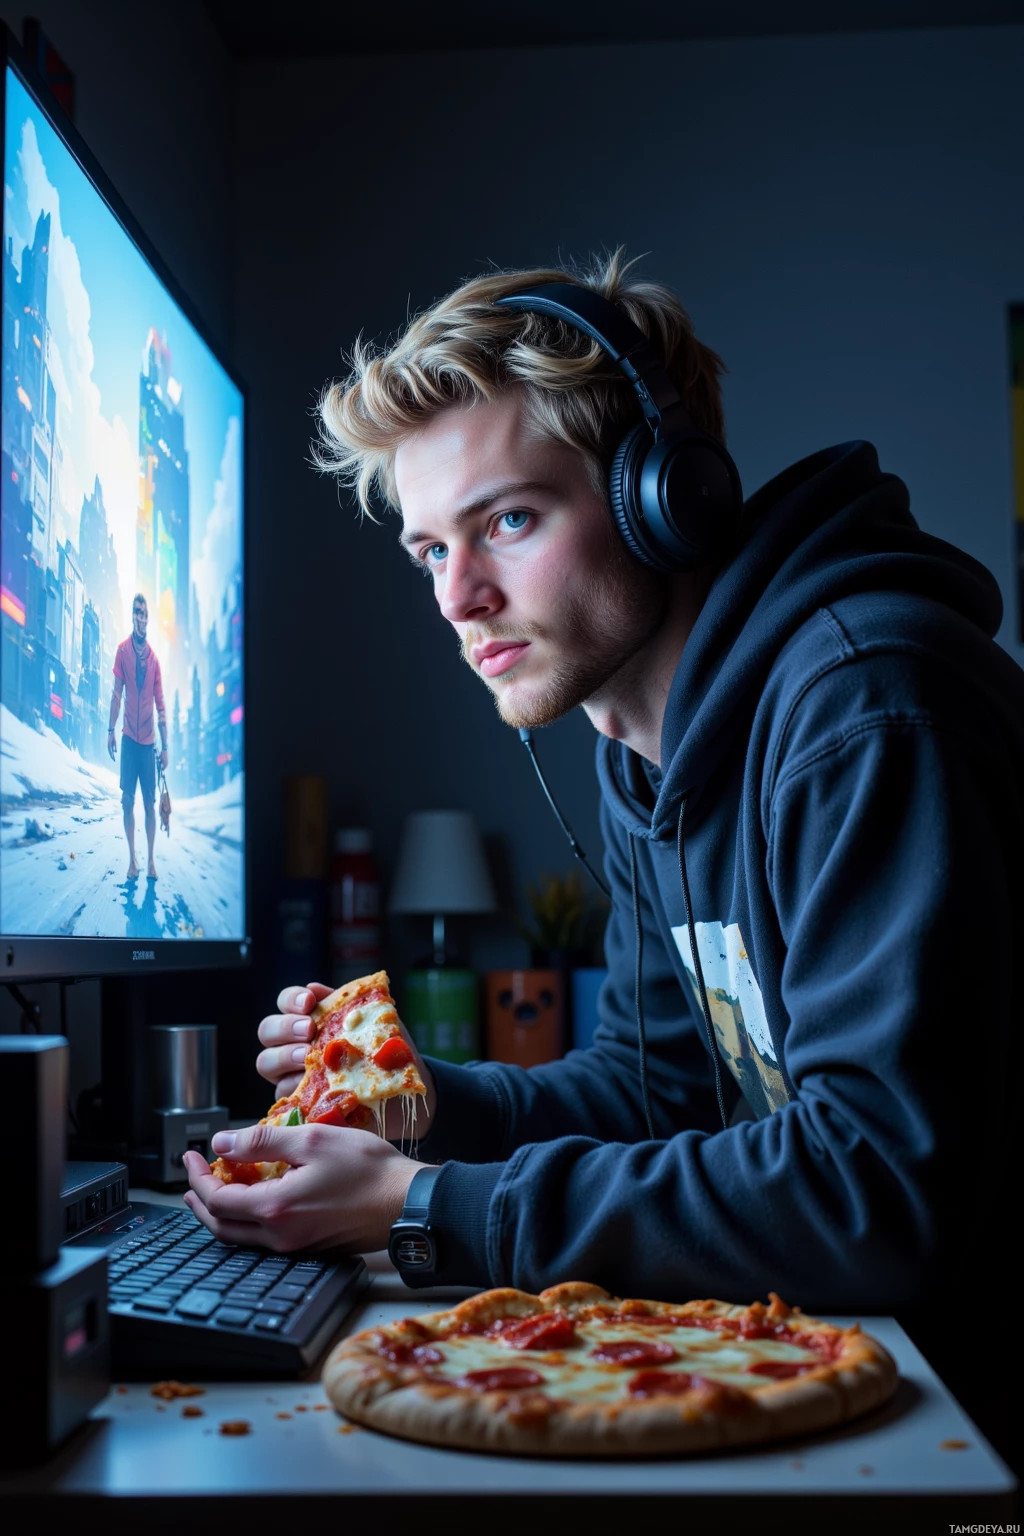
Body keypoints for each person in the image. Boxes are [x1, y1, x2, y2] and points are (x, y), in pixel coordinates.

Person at [184, 254, 1021, 1448]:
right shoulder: (643, 755)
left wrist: (427, 1207)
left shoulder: (866, 710)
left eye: (507, 521)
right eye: (430, 551)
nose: (458, 598)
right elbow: (652, 1092)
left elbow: (879, 1187)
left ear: (662, 498)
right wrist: (420, 1110)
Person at [108, 592, 168, 880]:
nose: (139, 617)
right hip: (129, 739)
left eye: (143, 612)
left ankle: (151, 860)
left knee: (149, 804)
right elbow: (116, 694)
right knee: (127, 801)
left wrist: (165, 747)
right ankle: (133, 859)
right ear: (132, 615)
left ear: (148, 618)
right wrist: (110, 730)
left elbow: (161, 705)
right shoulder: (122, 651)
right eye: (136, 611)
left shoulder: (154, 660)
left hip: (148, 743)